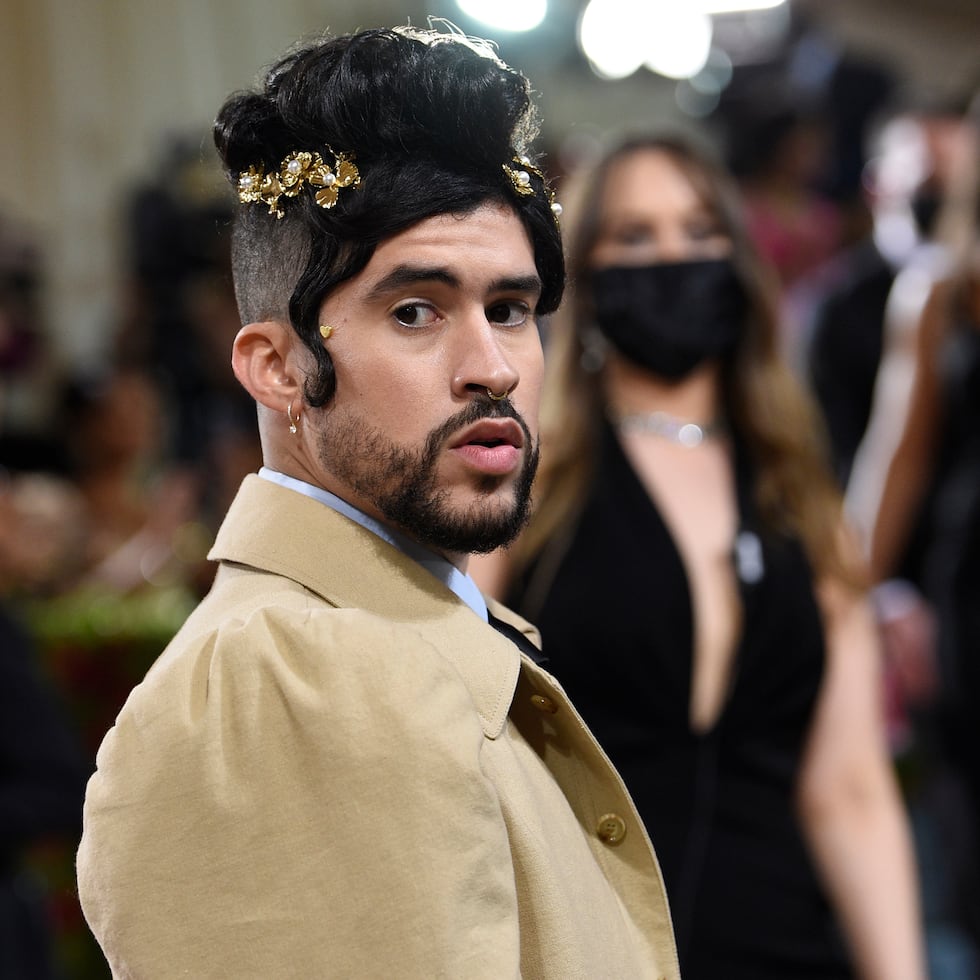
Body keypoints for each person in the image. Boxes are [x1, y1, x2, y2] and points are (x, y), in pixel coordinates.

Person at [75, 26, 681, 979]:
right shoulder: (283, 678)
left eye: (511, 309)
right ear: (275, 368)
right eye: (415, 311)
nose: (491, 368)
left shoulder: (382, 637)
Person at [472, 132, 925, 978]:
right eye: (636, 237)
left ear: (738, 257)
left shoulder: (801, 501)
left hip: (784, 945)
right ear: (588, 274)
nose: (672, 258)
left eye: (698, 230)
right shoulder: (525, 489)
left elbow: (850, 792)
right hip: (586, 948)